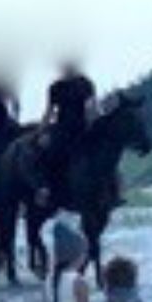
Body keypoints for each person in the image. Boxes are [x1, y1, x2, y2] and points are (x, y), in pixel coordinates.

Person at [34, 62, 97, 207]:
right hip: (62, 129)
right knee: (46, 153)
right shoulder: (56, 87)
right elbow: (49, 112)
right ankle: (44, 189)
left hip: (80, 129)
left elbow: (91, 108)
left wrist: (93, 123)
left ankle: (113, 187)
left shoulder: (85, 84)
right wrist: (40, 132)